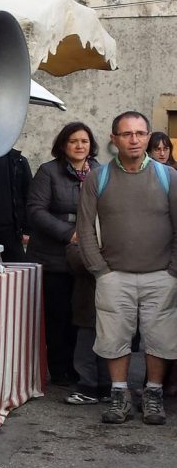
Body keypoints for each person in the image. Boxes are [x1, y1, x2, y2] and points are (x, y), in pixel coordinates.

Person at [77, 111, 177, 425]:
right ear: (113, 139)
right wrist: (99, 270)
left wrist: (173, 269)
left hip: (161, 275)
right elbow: (85, 228)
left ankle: (153, 395)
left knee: (160, 338)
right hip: (113, 275)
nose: (134, 139)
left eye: (140, 133)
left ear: (149, 137)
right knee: (112, 337)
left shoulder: (168, 177)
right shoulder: (98, 177)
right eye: (126, 134)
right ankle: (119, 396)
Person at [27, 122, 101, 387]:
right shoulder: (49, 171)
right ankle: (59, 370)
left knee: (82, 315)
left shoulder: (100, 172)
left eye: (85, 141)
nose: (80, 146)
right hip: (54, 257)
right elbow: (35, 210)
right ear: (63, 145)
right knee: (57, 317)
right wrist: (69, 233)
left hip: (86, 258)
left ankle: (80, 369)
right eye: (74, 141)